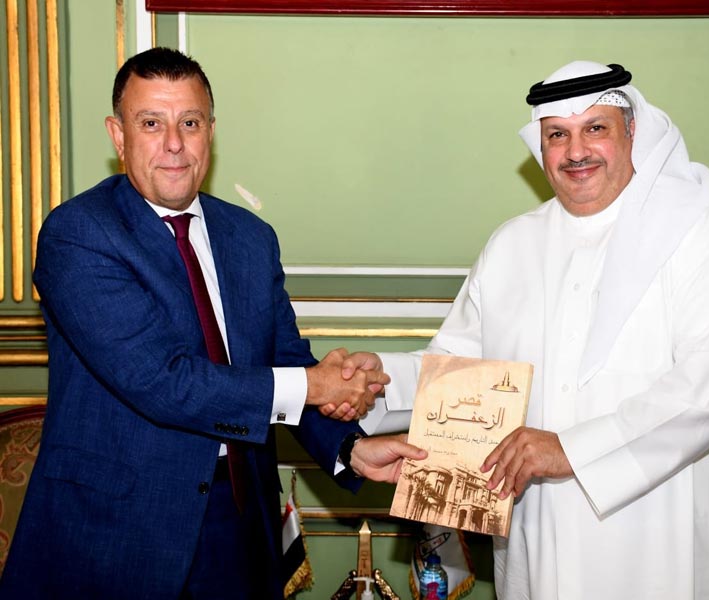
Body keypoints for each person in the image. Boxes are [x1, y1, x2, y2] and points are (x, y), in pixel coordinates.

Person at [337, 61, 709, 599]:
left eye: (595, 128)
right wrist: (380, 378)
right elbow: (463, 370)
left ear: (633, 132)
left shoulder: (701, 231)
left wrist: (570, 450)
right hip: (539, 523)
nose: (576, 151)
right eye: (557, 135)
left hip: (663, 528)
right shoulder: (512, 244)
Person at [0, 47, 424, 600]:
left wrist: (350, 449)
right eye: (151, 123)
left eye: (190, 123)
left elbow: (284, 361)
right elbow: (162, 380)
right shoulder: (78, 234)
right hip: (116, 534)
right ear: (118, 135)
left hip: (241, 522)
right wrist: (318, 385)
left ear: (211, 132)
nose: (174, 143)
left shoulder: (250, 237)